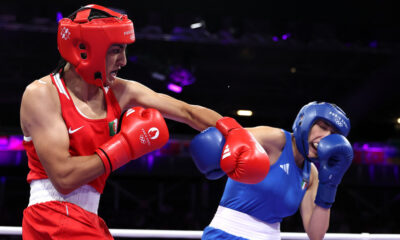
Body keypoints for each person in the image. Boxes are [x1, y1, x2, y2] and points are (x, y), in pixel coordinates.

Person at [19, 4, 270, 239]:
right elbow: (63, 178)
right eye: (116, 50)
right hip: (51, 219)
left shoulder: (120, 91)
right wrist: (125, 146)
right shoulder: (43, 94)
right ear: (86, 49)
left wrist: (234, 131)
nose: (124, 61)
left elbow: (187, 112)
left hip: (88, 218)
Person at [190, 101, 354, 240]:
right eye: (323, 127)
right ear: (304, 121)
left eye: (333, 134)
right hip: (227, 234)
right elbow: (228, 132)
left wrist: (330, 184)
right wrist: (183, 111)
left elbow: (315, 234)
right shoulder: (275, 139)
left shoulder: (312, 174)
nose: (326, 137)